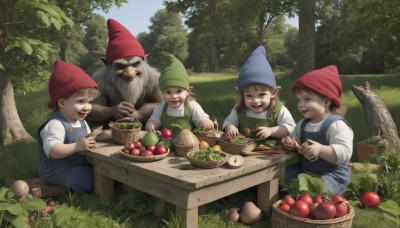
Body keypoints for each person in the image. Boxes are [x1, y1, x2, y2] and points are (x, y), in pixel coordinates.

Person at [285, 65, 353, 195]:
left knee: (322, 189)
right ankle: (300, 192)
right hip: (305, 169)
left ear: (326, 102)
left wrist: (321, 149)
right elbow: (295, 140)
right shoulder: (303, 124)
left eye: (307, 99)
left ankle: (315, 198)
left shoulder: (336, 125)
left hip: (331, 172)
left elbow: (345, 152)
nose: (301, 104)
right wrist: (291, 143)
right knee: (283, 174)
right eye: (298, 100)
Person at [87, 19, 163, 129]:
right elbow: (87, 108)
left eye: (135, 64)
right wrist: (111, 111)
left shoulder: (154, 79)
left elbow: (165, 104)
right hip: (111, 131)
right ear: (106, 64)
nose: (129, 73)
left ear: (145, 60)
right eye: (121, 66)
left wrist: (141, 114)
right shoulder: (100, 80)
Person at [37, 60, 99, 194]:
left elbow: (87, 139)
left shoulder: (81, 121)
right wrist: (77, 146)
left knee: (102, 170)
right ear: (62, 102)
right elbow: (53, 151)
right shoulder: (55, 124)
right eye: (81, 101)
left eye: (90, 102)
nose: (87, 107)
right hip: (57, 169)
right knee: (87, 179)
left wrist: (96, 137)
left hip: (77, 164)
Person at [222, 46, 296, 147]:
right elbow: (229, 120)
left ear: (273, 92)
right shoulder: (240, 109)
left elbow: (290, 127)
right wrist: (230, 127)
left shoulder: (278, 110)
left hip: (271, 153)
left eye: (262, 95)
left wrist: (271, 131)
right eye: (249, 96)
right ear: (241, 94)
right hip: (243, 149)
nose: (256, 101)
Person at [145, 54, 214, 132]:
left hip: (187, 141)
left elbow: (200, 117)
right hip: (166, 141)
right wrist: (152, 124)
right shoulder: (161, 108)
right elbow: (155, 119)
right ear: (162, 93)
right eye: (168, 92)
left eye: (179, 91)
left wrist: (204, 122)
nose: (174, 96)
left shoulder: (192, 106)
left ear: (188, 91)